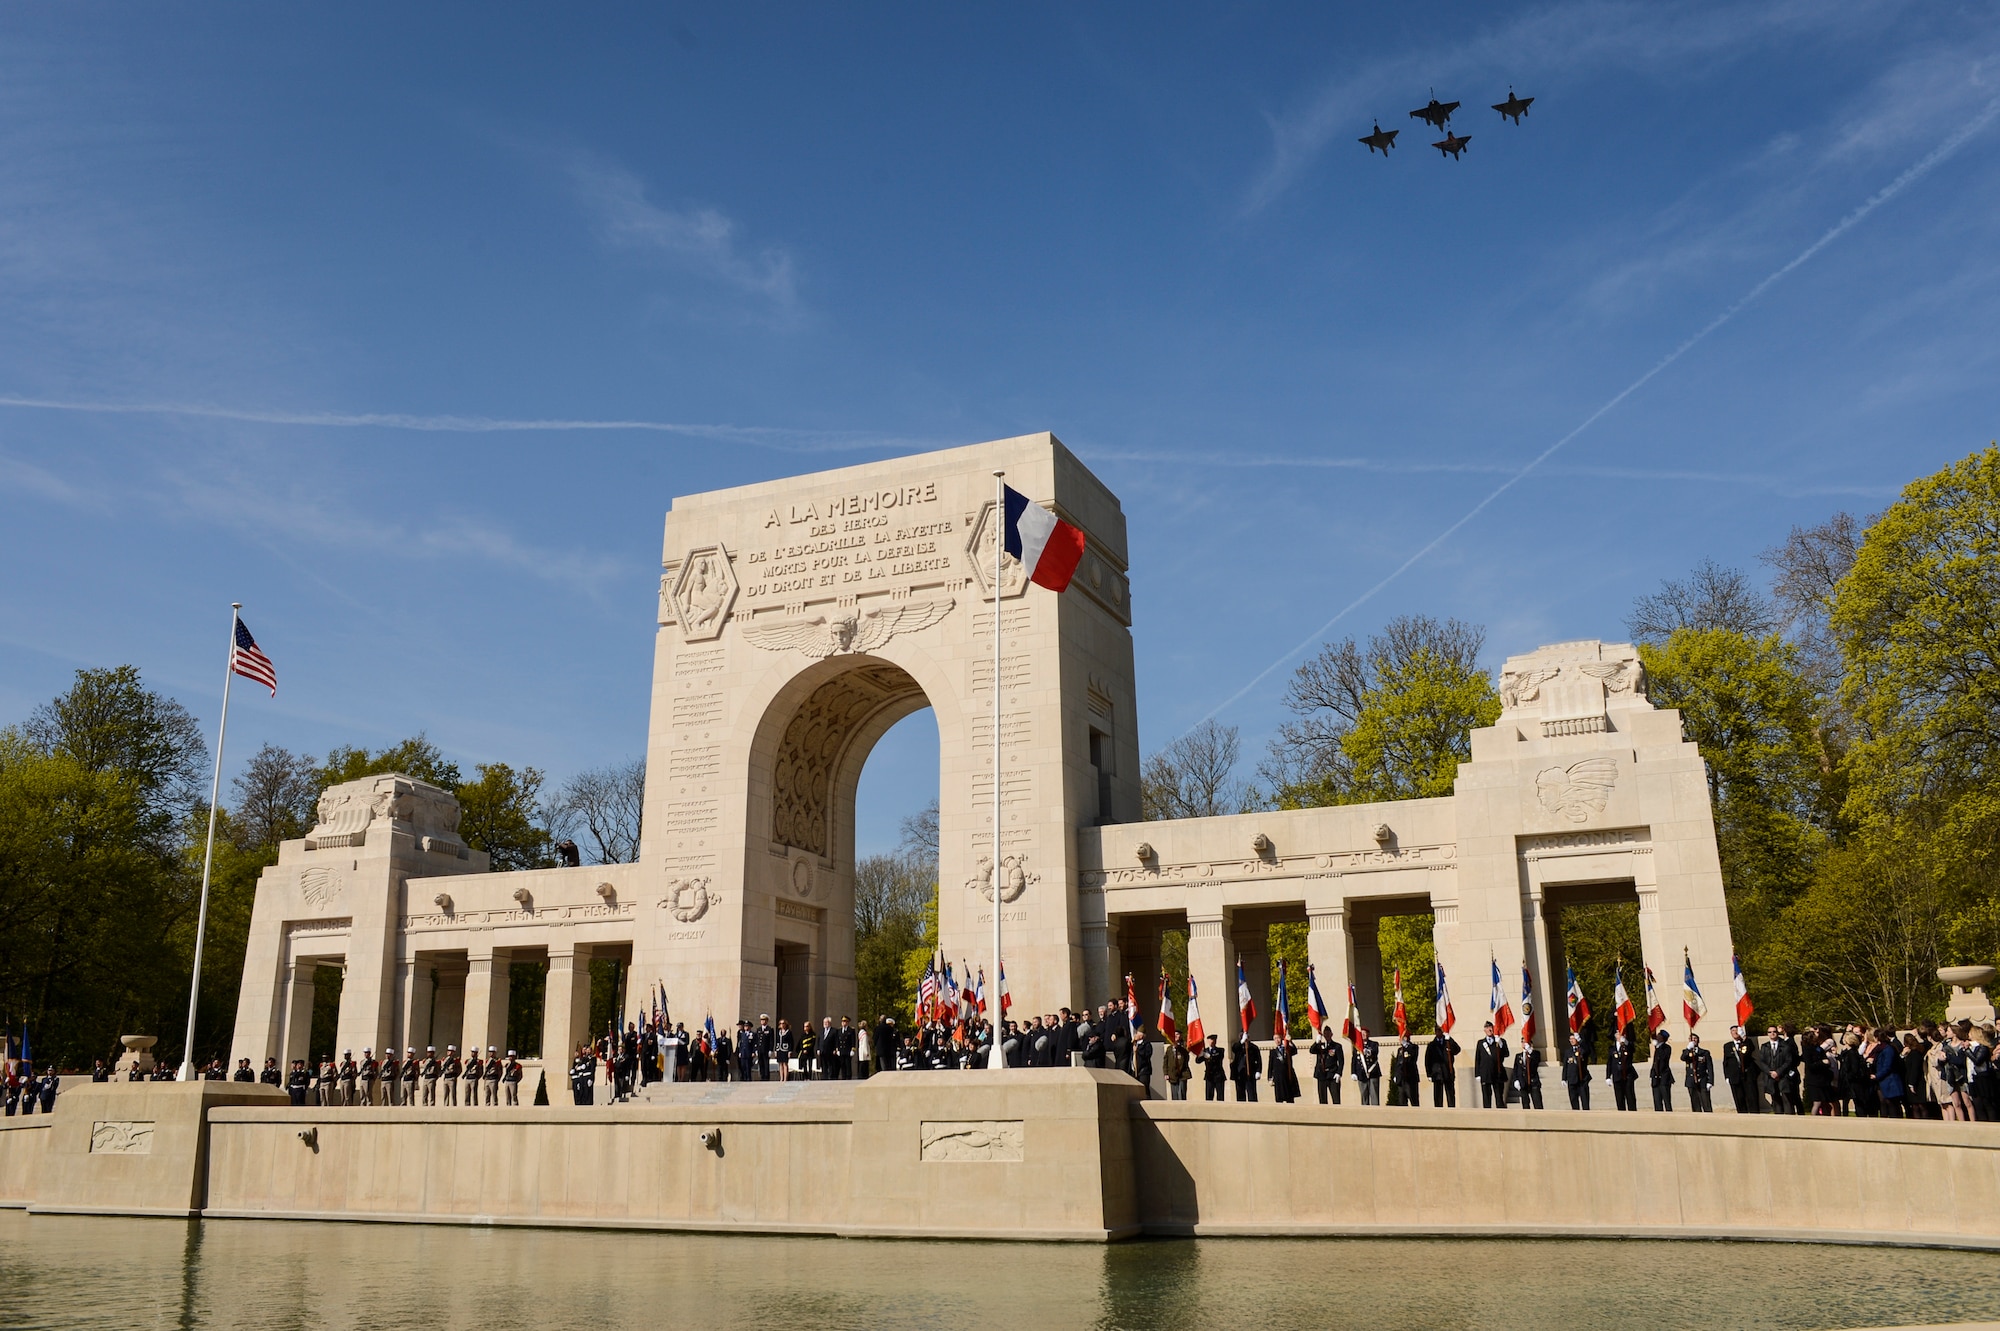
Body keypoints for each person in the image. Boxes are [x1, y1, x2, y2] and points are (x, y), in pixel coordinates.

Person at [1760, 1026, 1802, 1114]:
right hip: (1770, 1076)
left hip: (1783, 1076)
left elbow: (1788, 1061)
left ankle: (1789, 1117)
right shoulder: (1765, 1046)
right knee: (1775, 1099)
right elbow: (1762, 1061)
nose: (1772, 1033)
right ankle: (1779, 1118)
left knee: (1787, 1098)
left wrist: (1778, 1072)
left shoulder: (1785, 1045)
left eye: (1774, 1031)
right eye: (1770, 1032)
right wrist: (1770, 1072)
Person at [1723, 1026, 1760, 1114]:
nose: (1735, 1032)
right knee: (1739, 1098)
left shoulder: (1747, 1042)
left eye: (1736, 1030)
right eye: (1733, 1031)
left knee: (1752, 1097)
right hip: (1735, 1076)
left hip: (1748, 1075)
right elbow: (1726, 1062)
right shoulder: (1727, 1046)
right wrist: (1727, 1076)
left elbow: (1749, 1051)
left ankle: (1755, 1116)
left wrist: (1744, 1038)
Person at [1474, 1022, 1510, 1109]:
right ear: (1484, 1030)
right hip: (1485, 1073)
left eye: (1491, 1027)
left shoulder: (1500, 1041)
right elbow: (1477, 1059)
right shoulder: (1481, 1043)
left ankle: (1501, 1115)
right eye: (1487, 1028)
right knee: (1486, 1097)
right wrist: (1477, 1074)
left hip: (1497, 1073)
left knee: (1499, 1097)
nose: (1489, 1029)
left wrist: (1500, 1043)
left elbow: (1506, 1054)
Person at [1424, 1029, 1460, 1107]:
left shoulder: (1448, 1042)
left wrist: (1450, 1039)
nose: (1439, 1032)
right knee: (1438, 1097)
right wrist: (1429, 1074)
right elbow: (1427, 1061)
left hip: (1448, 1072)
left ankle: (1452, 1111)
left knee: (1450, 1096)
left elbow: (1457, 1050)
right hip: (1437, 1074)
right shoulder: (1431, 1045)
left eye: (1440, 1031)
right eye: (1437, 1031)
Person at [1311, 1028, 1346, 1105]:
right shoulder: (1320, 1046)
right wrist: (1316, 1042)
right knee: (1322, 1099)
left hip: (1332, 1075)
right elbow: (1312, 1050)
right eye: (1325, 1034)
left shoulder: (1337, 1046)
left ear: (1331, 1034)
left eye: (1328, 1033)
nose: (1326, 1035)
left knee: (1336, 1098)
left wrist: (1339, 1073)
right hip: (1321, 1075)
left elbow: (1341, 1061)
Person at [1682, 1033, 1715, 1112]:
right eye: (1691, 1039)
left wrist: (1710, 1081)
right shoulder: (1686, 1052)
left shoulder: (1704, 1052)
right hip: (1691, 1081)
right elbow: (1683, 1058)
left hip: (1702, 1080)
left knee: (1706, 1104)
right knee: (1695, 1105)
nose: (1693, 1040)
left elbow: (1710, 1068)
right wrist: (1688, 1048)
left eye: (1695, 1038)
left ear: (1698, 1040)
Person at [1606, 1030, 1638, 1112]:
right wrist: (1608, 1076)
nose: (1620, 1035)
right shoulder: (1612, 1048)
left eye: (1621, 1034)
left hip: (1627, 1075)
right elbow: (1609, 1063)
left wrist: (1626, 1043)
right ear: (1615, 1036)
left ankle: (1633, 1113)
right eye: (1618, 1034)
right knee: (1619, 1098)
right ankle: (1621, 1114)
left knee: (1630, 1096)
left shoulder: (1627, 1046)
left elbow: (1632, 1050)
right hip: (1617, 1075)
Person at [1561, 1033, 1591, 1111]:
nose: (1571, 1040)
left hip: (1582, 1080)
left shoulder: (1582, 1049)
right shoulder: (1568, 1052)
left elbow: (1587, 1051)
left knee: (1585, 1102)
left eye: (1573, 1038)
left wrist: (1581, 1042)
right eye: (1570, 1039)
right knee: (1573, 1101)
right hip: (1572, 1080)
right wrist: (1563, 1078)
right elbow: (1565, 1066)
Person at [1352, 1029, 1382, 1105]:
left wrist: (1368, 1051)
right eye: (1362, 1034)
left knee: (1374, 1094)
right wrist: (1353, 1072)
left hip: (1372, 1072)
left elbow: (1375, 1052)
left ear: (1368, 1034)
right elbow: (1354, 1060)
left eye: (1365, 1033)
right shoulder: (1356, 1046)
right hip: (1361, 1073)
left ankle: (1375, 1112)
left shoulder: (1374, 1044)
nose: (1363, 1035)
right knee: (1364, 1095)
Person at [1510, 1042, 1543, 1109]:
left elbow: (1536, 1062)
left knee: (1538, 1104)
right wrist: (1515, 1080)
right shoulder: (1518, 1056)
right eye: (1522, 1042)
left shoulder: (1535, 1054)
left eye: (1526, 1042)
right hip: (1523, 1082)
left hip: (1533, 1082)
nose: (1524, 1044)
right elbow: (1516, 1069)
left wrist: (1530, 1051)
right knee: (1525, 1104)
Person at [1390, 1035, 1420, 1107]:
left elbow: (1412, 1059)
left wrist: (1406, 1046)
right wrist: (1396, 1075)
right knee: (1402, 1100)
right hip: (1401, 1079)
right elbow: (1398, 1063)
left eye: (1402, 1038)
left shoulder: (1414, 1047)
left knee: (1413, 1099)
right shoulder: (1400, 1049)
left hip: (1410, 1078)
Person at [1649, 1030, 1675, 1112]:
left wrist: (1658, 1047)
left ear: (1663, 1038)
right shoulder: (1657, 1047)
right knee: (1657, 1101)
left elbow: (1663, 1059)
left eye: (1659, 1035)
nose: (1657, 1036)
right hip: (1655, 1078)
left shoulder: (1666, 1048)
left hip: (1664, 1077)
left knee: (1667, 1101)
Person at [1196, 1034, 1227, 1102]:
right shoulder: (1205, 1051)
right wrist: (1201, 1054)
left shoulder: (1220, 1050)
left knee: (1220, 1096)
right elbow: (1197, 1061)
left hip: (1218, 1075)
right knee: (1209, 1096)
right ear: (1208, 1041)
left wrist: (1209, 1056)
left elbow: (1219, 1058)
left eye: (1214, 1040)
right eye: (1211, 1040)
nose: (1213, 1041)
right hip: (1209, 1076)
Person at [1229, 1037, 1259, 1102]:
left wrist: (1258, 1071)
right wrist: (1241, 1042)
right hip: (1239, 1074)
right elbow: (1234, 1048)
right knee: (1240, 1095)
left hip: (1250, 1074)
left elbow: (1259, 1060)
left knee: (1252, 1094)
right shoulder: (1238, 1046)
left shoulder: (1254, 1048)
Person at [1163, 1033, 1188, 1100]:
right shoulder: (1169, 1049)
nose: (1176, 1036)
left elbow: (1186, 1058)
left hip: (1182, 1073)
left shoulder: (1184, 1047)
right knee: (1174, 1095)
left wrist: (1179, 1047)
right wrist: (1166, 1073)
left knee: (1182, 1093)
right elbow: (1165, 1062)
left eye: (1177, 1034)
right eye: (1174, 1034)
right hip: (1172, 1074)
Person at [1133, 1025, 1154, 1095]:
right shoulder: (1134, 1044)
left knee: (1145, 1089)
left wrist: (1138, 1050)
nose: (1136, 1035)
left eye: (1138, 1033)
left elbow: (1147, 1055)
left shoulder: (1146, 1044)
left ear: (1142, 1036)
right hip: (1135, 1070)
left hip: (1144, 1071)